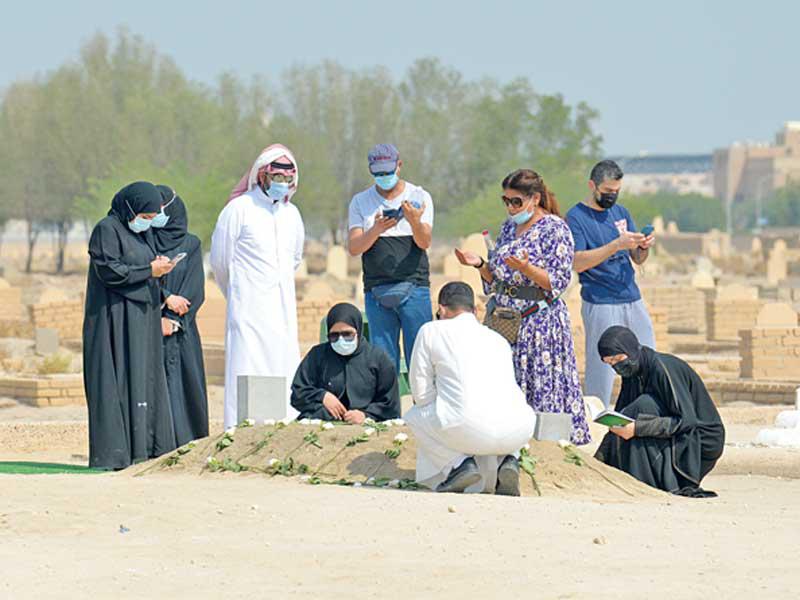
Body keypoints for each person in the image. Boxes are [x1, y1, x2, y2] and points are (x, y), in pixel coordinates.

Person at [456, 169, 590, 445]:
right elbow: (497, 279)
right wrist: (481, 265)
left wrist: (527, 268)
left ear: (535, 198)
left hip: (539, 322)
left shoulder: (555, 229)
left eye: (516, 201)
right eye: (505, 201)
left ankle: (547, 446)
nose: (510, 207)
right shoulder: (508, 228)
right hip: (506, 322)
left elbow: (558, 280)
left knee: (541, 384)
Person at [405, 282, 537, 495]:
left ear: (441, 309)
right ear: (475, 311)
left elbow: (421, 394)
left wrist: (444, 404)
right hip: (520, 430)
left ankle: (458, 466)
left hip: (467, 428)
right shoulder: (497, 338)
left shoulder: (430, 330)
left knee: (414, 415)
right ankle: (510, 461)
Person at [83, 181, 177, 470]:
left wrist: (157, 266)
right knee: (118, 378)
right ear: (130, 208)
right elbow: (110, 270)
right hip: (114, 319)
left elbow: (140, 265)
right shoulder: (107, 229)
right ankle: (116, 455)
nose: (146, 223)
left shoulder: (142, 234)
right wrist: (148, 270)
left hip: (141, 319)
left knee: (145, 378)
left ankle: (147, 449)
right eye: (145, 217)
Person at [211, 144, 304, 427]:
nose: (282, 184)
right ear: (262, 176)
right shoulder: (239, 210)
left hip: (283, 309)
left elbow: (295, 259)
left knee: (282, 364)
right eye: (277, 178)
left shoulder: (292, 215)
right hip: (249, 309)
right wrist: (239, 293)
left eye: (288, 179)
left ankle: (279, 430)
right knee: (250, 367)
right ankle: (246, 432)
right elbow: (220, 262)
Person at [566, 160, 656, 407]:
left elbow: (637, 258)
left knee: (648, 355)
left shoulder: (621, 213)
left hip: (631, 296)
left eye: (616, 192)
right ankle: (596, 416)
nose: (612, 196)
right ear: (592, 186)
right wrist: (616, 245)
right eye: (607, 192)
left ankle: (649, 410)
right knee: (602, 365)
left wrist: (643, 246)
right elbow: (577, 261)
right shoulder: (576, 217)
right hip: (601, 300)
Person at [595, 326, 725, 497]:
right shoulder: (633, 375)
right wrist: (596, 463)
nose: (616, 366)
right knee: (632, 412)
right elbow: (622, 418)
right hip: (677, 432)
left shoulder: (662, 368)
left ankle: (645, 484)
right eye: (610, 363)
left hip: (701, 439)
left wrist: (637, 428)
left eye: (618, 358)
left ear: (631, 350)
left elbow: (687, 421)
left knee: (643, 406)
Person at [348, 143, 433, 373]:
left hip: (414, 287)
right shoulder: (360, 202)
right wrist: (376, 229)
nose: (384, 177)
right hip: (377, 289)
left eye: (388, 171)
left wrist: (414, 220)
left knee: (420, 358)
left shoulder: (419, 196)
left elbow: (424, 242)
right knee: (383, 363)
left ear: (399, 165)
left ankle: (423, 408)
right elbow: (355, 247)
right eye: (378, 173)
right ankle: (387, 409)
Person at [152, 185, 208, 446]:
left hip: (182, 331)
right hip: (150, 329)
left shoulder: (191, 244)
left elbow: (195, 288)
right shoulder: (145, 240)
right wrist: (163, 303)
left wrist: (174, 320)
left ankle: (187, 444)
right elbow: (142, 279)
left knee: (184, 388)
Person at [290, 303, 400, 423]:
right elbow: (298, 394)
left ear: (358, 331)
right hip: (322, 422)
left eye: (347, 334)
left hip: (368, 428)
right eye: (334, 335)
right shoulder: (317, 355)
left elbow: (390, 404)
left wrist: (366, 415)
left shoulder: (378, 358)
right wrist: (322, 397)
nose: (341, 340)